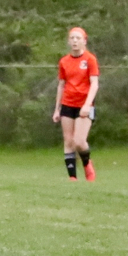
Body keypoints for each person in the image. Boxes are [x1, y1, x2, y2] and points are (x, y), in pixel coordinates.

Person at [53, 26, 100, 180]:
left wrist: (87, 104)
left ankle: (87, 165)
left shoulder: (90, 59)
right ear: (68, 41)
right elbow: (61, 85)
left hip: (84, 105)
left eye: (78, 38)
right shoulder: (64, 61)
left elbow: (94, 83)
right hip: (67, 103)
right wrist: (57, 109)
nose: (74, 41)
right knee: (68, 141)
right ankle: (72, 178)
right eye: (72, 38)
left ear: (84, 41)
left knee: (79, 141)